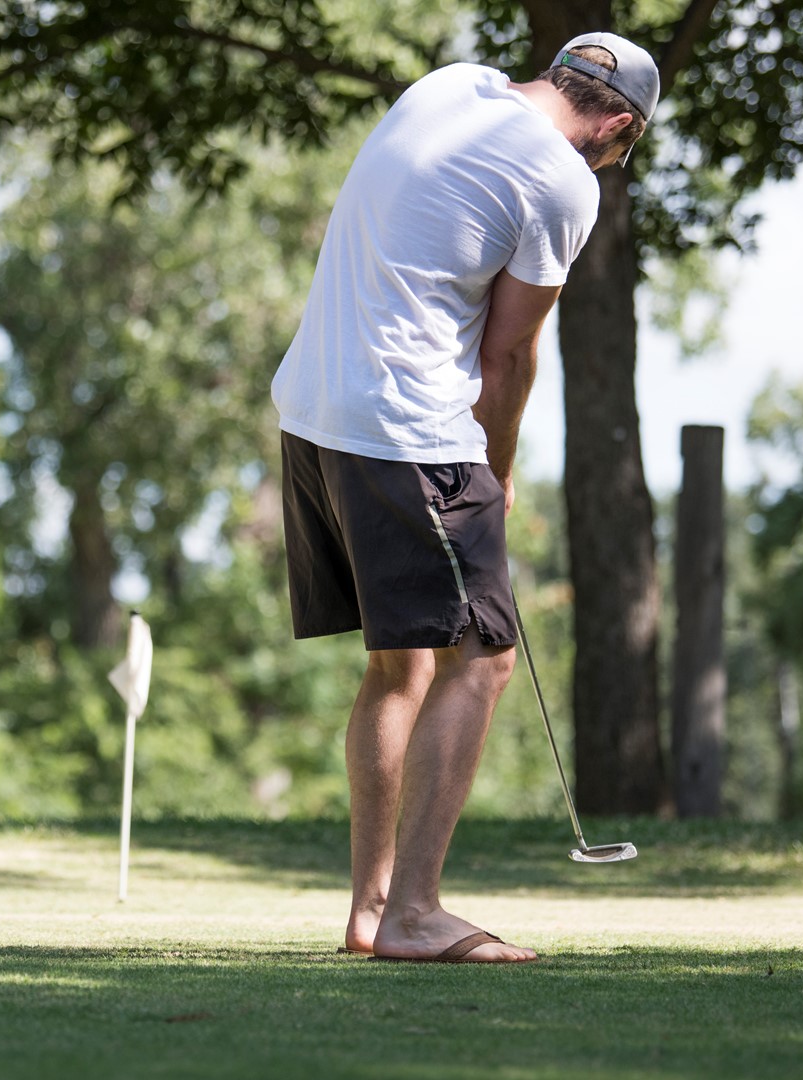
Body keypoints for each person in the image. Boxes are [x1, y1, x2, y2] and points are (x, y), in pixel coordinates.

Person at [270, 33, 659, 963]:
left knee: (400, 664)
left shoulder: (449, 86)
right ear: (618, 123)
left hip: (315, 409)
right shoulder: (569, 182)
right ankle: (414, 914)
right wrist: (501, 467)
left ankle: (371, 911)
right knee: (482, 659)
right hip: (411, 429)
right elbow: (511, 354)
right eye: (623, 145)